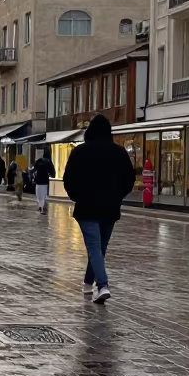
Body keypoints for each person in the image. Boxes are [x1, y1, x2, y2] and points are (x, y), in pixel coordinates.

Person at [62, 114, 135, 304]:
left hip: (86, 208)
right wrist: (117, 196)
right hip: (110, 208)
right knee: (99, 248)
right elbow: (129, 179)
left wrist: (77, 196)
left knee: (96, 248)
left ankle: (97, 284)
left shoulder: (80, 152)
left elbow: (68, 179)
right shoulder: (119, 153)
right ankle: (96, 284)